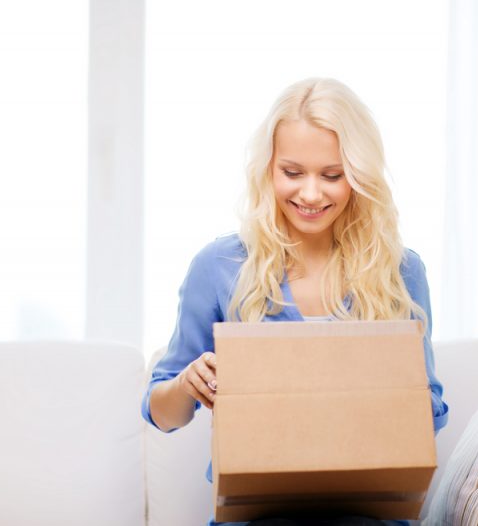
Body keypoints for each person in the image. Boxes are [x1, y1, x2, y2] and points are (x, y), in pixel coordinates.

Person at [141, 77, 449, 526]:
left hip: (370, 517)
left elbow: (431, 413)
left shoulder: (400, 272)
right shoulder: (220, 266)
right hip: (257, 517)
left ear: (359, 177)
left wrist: (390, 393)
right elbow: (161, 414)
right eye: (292, 172)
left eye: (331, 175)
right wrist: (188, 383)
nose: (309, 194)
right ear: (268, 169)